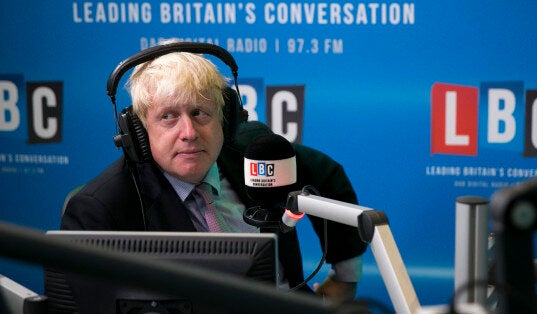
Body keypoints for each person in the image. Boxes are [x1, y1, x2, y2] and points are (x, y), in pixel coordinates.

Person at [61, 46, 367, 305]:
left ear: (227, 117)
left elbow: (326, 175)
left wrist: (345, 278)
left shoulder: (254, 155)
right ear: (138, 132)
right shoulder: (101, 210)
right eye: (168, 117)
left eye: (200, 113)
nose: (189, 133)